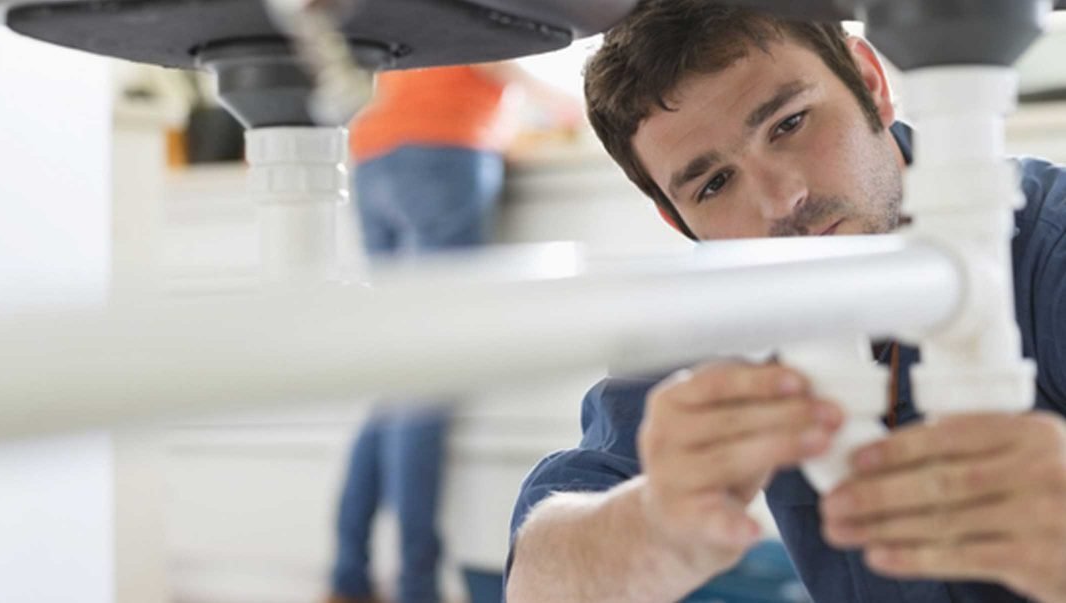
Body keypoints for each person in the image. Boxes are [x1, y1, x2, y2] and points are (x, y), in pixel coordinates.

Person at [504, 2, 1066, 602]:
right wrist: (653, 520)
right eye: (714, 184)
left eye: (790, 123)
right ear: (678, 221)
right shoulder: (721, 307)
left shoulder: (1048, 247)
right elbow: (539, 582)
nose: (782, 201)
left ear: (872, 85)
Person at [326, 63, 580, 603]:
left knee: (400, 378)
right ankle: (418, 587)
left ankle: (348, 577)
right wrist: (570, 103)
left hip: (373, 152)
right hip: (443, 147)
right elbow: (495, 55)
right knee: (426, 377)